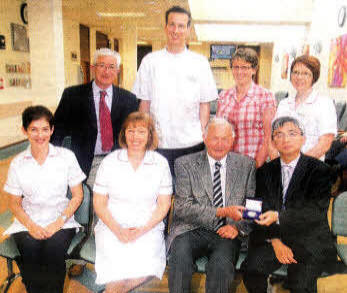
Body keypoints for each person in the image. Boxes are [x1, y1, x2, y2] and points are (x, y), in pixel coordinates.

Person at [242, 116, 336, 293]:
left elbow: (315, 212)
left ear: (303, 138)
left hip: (309, 239)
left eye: (292, 134)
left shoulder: (320, 170)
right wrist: (276, 241)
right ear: (273, 142)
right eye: (279, 135)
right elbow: (258, 210)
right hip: (275, 237)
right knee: (252, 269)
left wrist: (278, 216)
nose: (285, 139)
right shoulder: (264, 172)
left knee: (301, 284)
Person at [3, 106, 86, 293]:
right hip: (27, 221)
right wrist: (31, 226)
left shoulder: (66, 157)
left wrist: (59, 222)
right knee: (30, 250)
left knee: (52, 252)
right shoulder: (18, 163)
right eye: (33, 129)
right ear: (24, 131)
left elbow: (78, 195)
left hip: (60, 219)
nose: (40, 135)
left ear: (52, 130)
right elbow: (14, 204)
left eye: (44, 129)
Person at [167, 117, 256, 293]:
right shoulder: (185, 164)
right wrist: (222, 211)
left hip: (227, 231)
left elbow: (252, 208)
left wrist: (238, 228)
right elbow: (182, 208)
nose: (219, 144)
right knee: (179, 260)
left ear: (233, 140)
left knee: (221, 267)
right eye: (215, 138)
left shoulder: (247, 165)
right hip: (190, 229)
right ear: (205, 138)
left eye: (225, 138)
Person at [132, 6, 218, 177]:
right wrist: (146, 135)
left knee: (189, 197)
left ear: (188, 29)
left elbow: (204, 104)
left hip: (192, 144)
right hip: (158, 144)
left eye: (181, 26)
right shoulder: (150, 61)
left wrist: (201, 132)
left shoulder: (199, 62)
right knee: (159, 193)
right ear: (165, 27)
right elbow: (144, 104)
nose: (176, 30)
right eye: (172, 25)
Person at [93, 112, 172, 293]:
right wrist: (118, 230)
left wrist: (142, 230)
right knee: (118, 274)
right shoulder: (110, 161)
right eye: (131, 131)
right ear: (124, 134)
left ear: (150, 135)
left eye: (141, 132)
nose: (135, 137)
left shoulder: (160, 163)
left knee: (142, 270)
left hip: (148, 227)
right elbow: (99, 202)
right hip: (112, 226)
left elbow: (164, 205)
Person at [51, 48, 138, 187]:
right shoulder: (72, 96)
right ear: (92, 68)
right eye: (102, 66)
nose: (106, 71)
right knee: (90, 204)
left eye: (111, 67)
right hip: (85, 163)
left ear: (117, 71)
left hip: (119, 162)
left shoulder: (129, 99)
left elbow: (135, 133)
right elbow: (56, 133)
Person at [217, 48, 276, 168]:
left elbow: (268, 137)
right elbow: (218, 130)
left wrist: (256, 166)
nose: (239, 72)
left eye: (245, 67)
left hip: (253, 164)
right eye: (236, 67)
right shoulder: (224, 96)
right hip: (227, 164)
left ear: (254, 70)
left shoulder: (265, 96)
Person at [275, 55, 337, 160]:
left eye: (306, 73)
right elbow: (274, 137)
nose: (299, 77)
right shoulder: (284, 104)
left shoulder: (324, 104)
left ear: (314, 77)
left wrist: (299, 166)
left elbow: (325, 143)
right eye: (296, 72)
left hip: (310, 168)